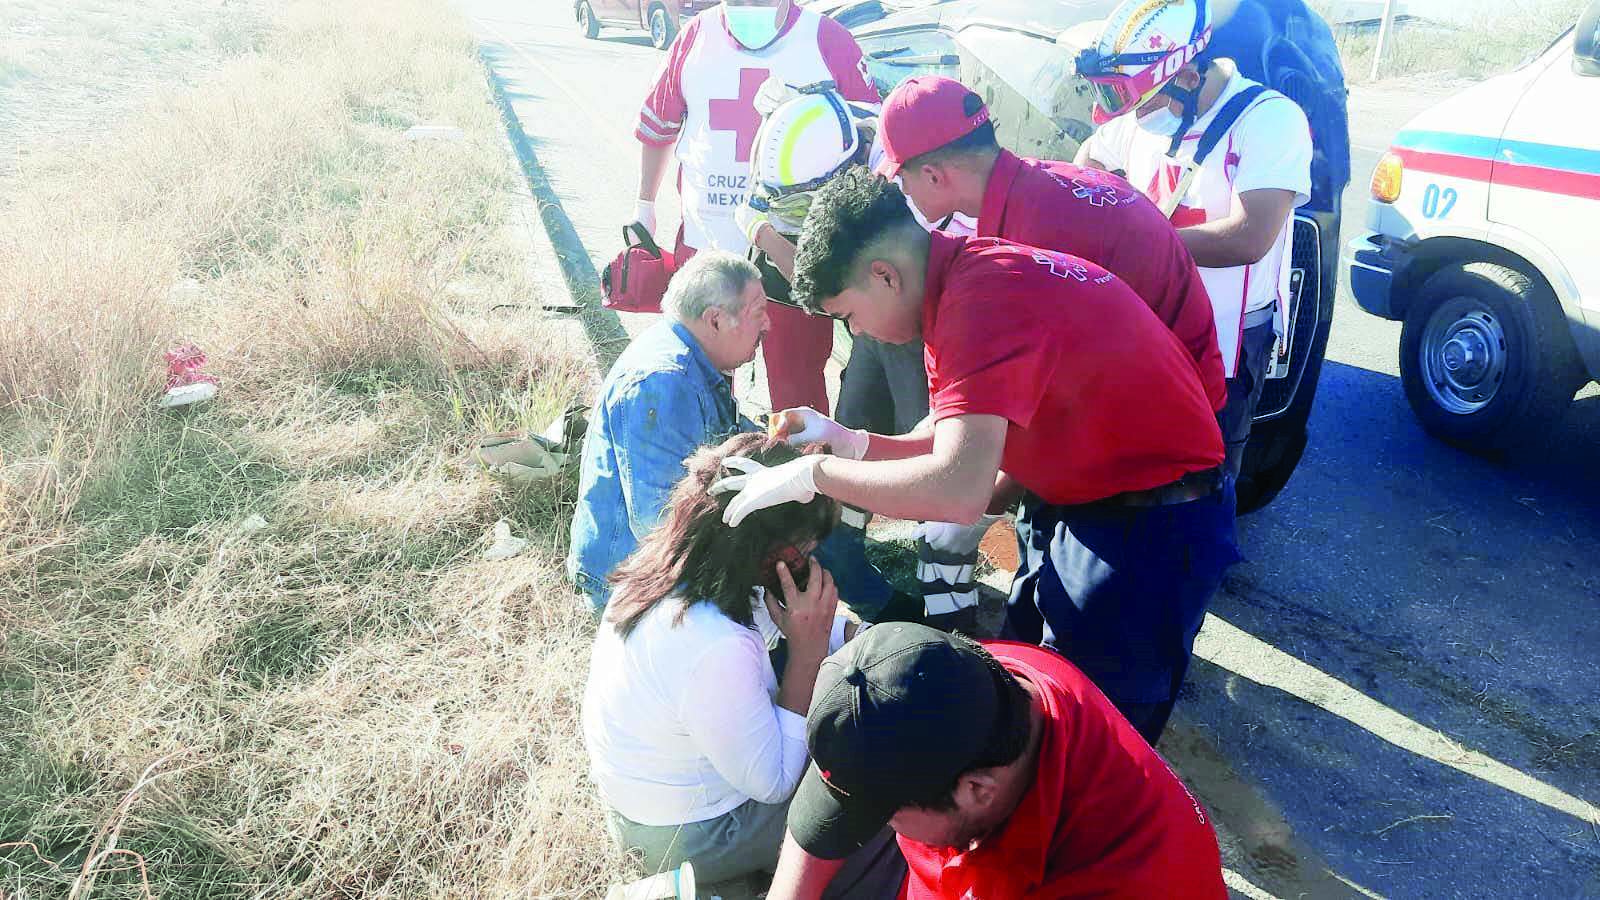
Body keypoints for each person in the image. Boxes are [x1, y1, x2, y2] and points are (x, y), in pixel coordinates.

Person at [715, 169, 1240, 743]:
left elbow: (960, 491)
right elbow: (957, 440)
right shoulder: (959, 278)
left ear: (884, 275)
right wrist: (852, 443)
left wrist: (816, 474)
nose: (858, 333)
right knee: (1027, 692)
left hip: (1150, 524)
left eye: (848, 317)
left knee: (1089, 730)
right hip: (1080, 501)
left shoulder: (979, 303)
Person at [738, 85, 989, 632]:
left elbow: (956, 473)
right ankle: (849, 565)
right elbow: (752, 211)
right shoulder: (803, 141)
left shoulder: (916, 182)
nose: (804, 217)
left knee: (930, 474)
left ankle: (947, 619)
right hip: (884, 317)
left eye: (809, 206)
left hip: (916, 327)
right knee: (855, 433)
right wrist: (815, 272)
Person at [583, 433, 868, 884]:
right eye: (805, 551)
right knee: (866, 787)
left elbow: (785, 616)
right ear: (767, 550)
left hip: (648, 807)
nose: (810, 563)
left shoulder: (692, 562)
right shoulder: (709, 640)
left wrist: (860, 636)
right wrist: (808, 656)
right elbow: (774, 783)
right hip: (692, 835)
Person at [764, 625, 1229, 898]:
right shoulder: (974, 678)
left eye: (886, 814)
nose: (885, 828)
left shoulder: (1136, 874)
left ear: (977, 790)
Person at [568, 251, 906, 618]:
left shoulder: (691, 354)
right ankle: (873, 616)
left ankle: (878, 607)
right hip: (637, 574)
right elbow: (661, 521)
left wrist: (783, 445)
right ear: (715, 319)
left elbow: (729, 441)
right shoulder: (664, 383)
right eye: (758, 313)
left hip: (674, 549)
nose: (768, 326)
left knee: (804, 496)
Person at [873, 74, 1226, 413]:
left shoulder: (1031, 241)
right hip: (1188, 393)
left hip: (1174, 427)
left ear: (934, 176)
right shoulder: (1042, 185)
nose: (903, 192)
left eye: (903, 179)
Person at [1072, 0, 1312, 479]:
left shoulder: (1270, 119)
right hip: (1145, 319)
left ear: (1187, 76)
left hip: (1226, 339)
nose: (1135, 115)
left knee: (1206, 471)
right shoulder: (1146, 105)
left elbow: (1250, 236)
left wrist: (1131, 243)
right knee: (1136, 453)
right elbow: (1090, 158)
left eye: (1144, 101)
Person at [630, 0, 879, 415]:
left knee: (797, 393)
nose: (750, 6)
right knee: (698, 384)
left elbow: (870, 139)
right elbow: (658, 125)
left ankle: (801, 475)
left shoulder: (827, 41)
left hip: (793, 262)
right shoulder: (695, 36)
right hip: (707, 249)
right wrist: (644, 204)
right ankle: (708, 473)